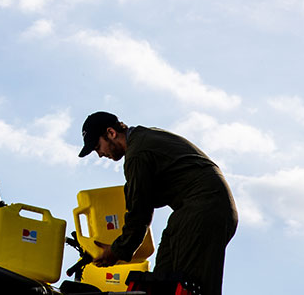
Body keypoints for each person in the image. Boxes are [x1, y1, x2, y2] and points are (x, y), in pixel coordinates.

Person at [78, 111, 237, 295]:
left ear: (111, 133)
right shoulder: (145, 137)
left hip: (203, 210)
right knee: (162, 280)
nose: (99, 154)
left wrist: (117, 251)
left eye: (98, 146)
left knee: (191, 286)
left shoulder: (137, 154)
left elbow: (139, 212)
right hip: (194, 210)